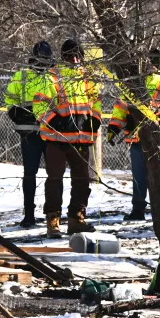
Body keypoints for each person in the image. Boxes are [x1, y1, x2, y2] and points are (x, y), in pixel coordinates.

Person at [105, 48, 160, 222]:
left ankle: (141, 209)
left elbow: (121, 108)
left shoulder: (135, 83)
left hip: (151, 138)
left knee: (143, 177)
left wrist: (113, 128)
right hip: (157, 138)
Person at [34, 38, 102, 237]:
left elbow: (96, 102)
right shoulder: (52, 77)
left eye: (77, 55)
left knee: (82, 181)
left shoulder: (87, 78)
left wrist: (95, 120)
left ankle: (76, 219)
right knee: (55, 181)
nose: (75, 59)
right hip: (57, 139)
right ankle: (53, 221)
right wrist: (56, 122)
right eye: (71, 55)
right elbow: (40, 106)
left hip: (81, 139)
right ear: (64, 56)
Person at [5, 41, 54, 229]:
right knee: (29, 174)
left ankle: (52, 214)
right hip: (29, 133)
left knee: (54, 175)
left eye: (46, 59)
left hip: (51, 133)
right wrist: (15, 112)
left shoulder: (54, 76)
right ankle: (29, 215)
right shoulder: (22, 76)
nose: (43, 62)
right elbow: (10, 98)